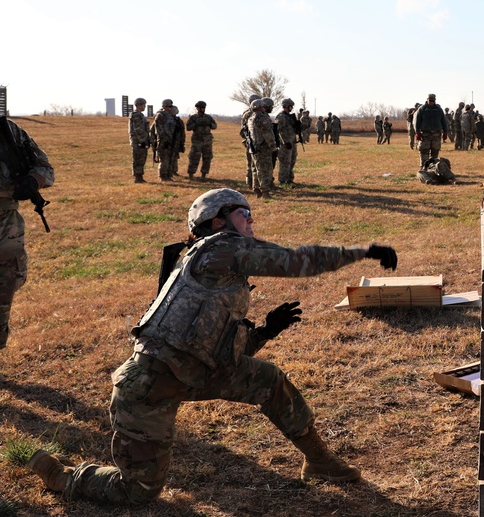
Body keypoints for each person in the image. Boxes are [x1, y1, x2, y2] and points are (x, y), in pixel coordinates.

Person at [26, 188, 398, 504]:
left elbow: (216, 348)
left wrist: (265, 331)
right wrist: (363, 251)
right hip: (150, 386)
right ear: (218, 222)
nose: (251, 220)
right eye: (244, 213)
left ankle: (319, 461)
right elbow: (294, 260)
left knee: (269, 380)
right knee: (138, 491)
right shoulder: (217, 250)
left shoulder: (221, 266)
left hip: (198, 373)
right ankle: (64, 477)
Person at [0, 116, 54, 349]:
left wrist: (33, 180)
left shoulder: (8, 131)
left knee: (5, 285)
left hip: (5, 220)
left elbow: (44, 167)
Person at [250, 98, 277, 198]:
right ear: (260, 107)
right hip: (263, 148)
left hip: (254, 147)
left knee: (257, 169)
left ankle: (257, 190)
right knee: (265, 170)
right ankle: (265, 192)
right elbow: (267, 134)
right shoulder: (262, 118)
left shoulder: (251, 118)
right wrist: (273, 146)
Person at [413, 93, 448, 168]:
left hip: (436, 135)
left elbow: (443, 121)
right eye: (430, 100)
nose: (431, 102)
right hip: (425, 134)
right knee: (424, 152)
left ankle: (433, 169)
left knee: (435, 152)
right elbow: (417, 122)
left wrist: (445, 132)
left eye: (433, 100)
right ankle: (424, 169)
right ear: (427, 100)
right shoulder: (422, 109)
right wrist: (417, 132)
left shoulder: (439, 109)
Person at [186, 101, 217, 180]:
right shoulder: (193, 117)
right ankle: (191, 174)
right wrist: (196, 124)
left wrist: (209, 124)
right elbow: (188, 127)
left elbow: (214, 126)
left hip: (207, 141)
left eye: (203, 108)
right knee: (194, 157)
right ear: (197, 108)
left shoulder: (208, 117)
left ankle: (204, 174)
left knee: (207, 157)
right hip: (197, 140)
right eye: (201, 108)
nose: (202, 109)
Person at [274, 98, 299, 187]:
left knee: (292, 160)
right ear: (287, 106)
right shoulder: (281, 117)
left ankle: (289, 179)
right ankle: (283, 180)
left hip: (292, 142)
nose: (292, 108)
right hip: (285, 143)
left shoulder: (289, 117)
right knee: (285, 161)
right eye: (290, 106)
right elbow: (280, 130)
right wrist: (285, 141)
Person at [240, 94, 262, 189]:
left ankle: (251, 183)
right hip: (251, 142)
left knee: (252, 164)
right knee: (251, 164)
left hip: (252, 141)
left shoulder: (249, 113)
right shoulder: (249, 114)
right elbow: (243, 130)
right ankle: (251, 183)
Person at [152, 100, 176, 181]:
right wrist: (163, 139)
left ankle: (168, 175)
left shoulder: (169, 116)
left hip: (170, 140)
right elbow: (159, 129)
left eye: (171, 107)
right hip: (163, 140)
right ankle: (162, 176)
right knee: (164, 159)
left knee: (169, 158)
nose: (170, 108)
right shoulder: (160, 115)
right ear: (165, 106)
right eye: (169, 106)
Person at [129, 98, 150, 184]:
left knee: (142, 158)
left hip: (142, 140)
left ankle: (140, 176)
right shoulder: (136, 115)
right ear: (138, 105)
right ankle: (137, 177)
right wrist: (142, 140)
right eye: (143, 104)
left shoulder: (140, 115)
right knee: (138, 158)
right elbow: (138, 129)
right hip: (138, 141)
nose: (144, 106)